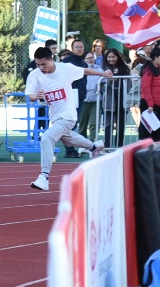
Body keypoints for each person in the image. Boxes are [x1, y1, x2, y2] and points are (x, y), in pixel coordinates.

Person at [25, 46, 111, 191]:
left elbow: (85, 71)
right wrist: (36, 96)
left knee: (47, 138)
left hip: (68, 115)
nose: (41, 67)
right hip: (55, 117)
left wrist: (103, 73)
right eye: (38, 64)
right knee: (68, 139)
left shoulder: (65, 69)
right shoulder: (34, 75)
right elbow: (31, 95)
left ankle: (44, 177)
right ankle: (94, 147)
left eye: (44, 64)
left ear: (51, 59)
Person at [100, 48, 133, 149]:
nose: (111, 59)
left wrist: (128, 98)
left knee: (121, 124)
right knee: (108, 124)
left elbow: (129, 84)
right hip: (109, 99)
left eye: (113, 57)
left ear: (118, 57)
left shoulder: (125, 69)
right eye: (109, 57)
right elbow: (100, 84)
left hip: (121, 98)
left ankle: (119, 146)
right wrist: (107, 82)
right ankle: (107, 146)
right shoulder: (103, 68)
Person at [61, 39, 89, 157]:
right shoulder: (67, 62)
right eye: (77, 47)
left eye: (81, 47)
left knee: (74, 122)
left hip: (80, 95)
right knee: (69, 122)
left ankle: (71, 148)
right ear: (72, 49)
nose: (80, 49)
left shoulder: (83, 63)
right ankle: (69, 149)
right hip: (70, 95)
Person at [140, 47, 160, 141]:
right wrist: (150, 104)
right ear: (156, 57)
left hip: (156, 103)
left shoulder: (157, 69)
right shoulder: (148, 70)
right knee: (148, 130)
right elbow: (145, 88)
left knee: (156, 130)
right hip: (150, 104)